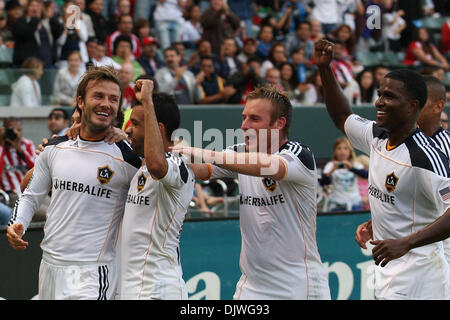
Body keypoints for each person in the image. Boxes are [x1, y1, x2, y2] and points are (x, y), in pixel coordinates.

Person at [315, 38, 450, 299]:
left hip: (421, 276)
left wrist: (406, 242)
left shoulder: (423, 157)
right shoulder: (376, 136)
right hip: (391, 271)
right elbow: (342, 116)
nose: (379, 102)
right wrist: (325, 69)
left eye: (389, 96)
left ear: (412, 106)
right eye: (379, 95)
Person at [172, 85, 331, 300]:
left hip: (298, 285)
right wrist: (171, 153)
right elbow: (199, 170)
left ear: (279, 124)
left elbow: (268, 166)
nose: (244, 126)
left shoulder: (298, 155)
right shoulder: (240, 153)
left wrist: (200, 151)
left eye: (254, 119)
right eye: (244, 117)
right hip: (252, 286)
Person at [6, 66, 141, 300]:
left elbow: (163, 173)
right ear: (80, 101)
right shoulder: (55, 146)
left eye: (113, 99)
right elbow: (30, 195)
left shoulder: (128, 158)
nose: (106, 104)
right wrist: (18, 222)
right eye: (98, 96)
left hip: (93, 272)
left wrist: (128, 138)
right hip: (49, 266)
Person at [119, 80, 195, 300]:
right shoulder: (138, 165)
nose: (129, 129)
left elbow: (157, 165)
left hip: (158, 290)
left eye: (135, 123)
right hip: (133, 289)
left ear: (157, 128)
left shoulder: (177, 164)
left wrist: (148, 101)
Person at [321, 137, 367, 212]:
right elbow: (323, 182)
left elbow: (366, 175)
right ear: (334, 151)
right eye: (339, 148)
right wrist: (332, 170)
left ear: (350, 151)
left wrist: (351, 168)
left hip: (355, 204)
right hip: (337, 204)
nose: (342, 151)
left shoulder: (355, 164)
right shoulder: (330, 165)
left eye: (345, 148)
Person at [0, 117, 36, 197]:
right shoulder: (1, 147)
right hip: (8, 195)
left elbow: (36, 168)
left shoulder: (28, 144)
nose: (15, 133)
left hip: (29, 192)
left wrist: (20, 150)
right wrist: (1, 144)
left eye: (18, 130)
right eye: (11, 130)